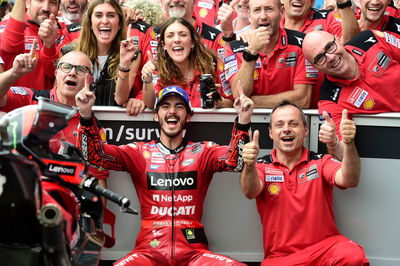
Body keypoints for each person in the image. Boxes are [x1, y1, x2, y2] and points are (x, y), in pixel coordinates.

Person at [75, 83, 253, 265]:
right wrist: (86, 114)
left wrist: (243, 120)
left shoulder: (203, 151)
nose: (172, 111)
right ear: (156, 115)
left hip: (194, 254)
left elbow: (234, 161)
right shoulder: (138, 152)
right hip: (148, 253)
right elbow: (94, 156)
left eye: (179, 106)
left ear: (188, 117)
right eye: (165, 106)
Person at [240, 100, 369, 265]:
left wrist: (348, 144)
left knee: (352, 256)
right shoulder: (262, 166)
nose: (286, 129)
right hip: (281, 258)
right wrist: (249, 164)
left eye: (293, 124)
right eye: (279, 125)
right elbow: (250, 191)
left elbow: (350, 179)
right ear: (271, 133)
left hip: (325, 250)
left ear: (306, 130)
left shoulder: (321, 161)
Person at [302, 30, 400, 156]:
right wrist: (334, 143)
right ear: (315, 67)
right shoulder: (329, 101)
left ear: (338, 39)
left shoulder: (371, 38)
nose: (330, 57)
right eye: (320, 58)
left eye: (330, 47)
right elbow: (341, 153)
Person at [224, 0, 318, 109]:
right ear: (249, 15)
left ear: (282, 12)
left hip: (290, 123)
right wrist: (251, 52)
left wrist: (252, 101)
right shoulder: (233, 47)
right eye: (257, 10)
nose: (263, 16)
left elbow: (303, 99)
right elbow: (239, 94)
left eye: (269, 9)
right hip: (249, 121)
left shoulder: (301, 43)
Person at [141, 17, 232, 109]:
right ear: (164, 45)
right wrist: (147, 79)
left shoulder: (213, 65)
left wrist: (220, 102)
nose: (176, 40)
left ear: (192, 42)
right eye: (170, 36)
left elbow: (231, 103)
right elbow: (150, 104)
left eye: (183, 35)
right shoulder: (159, 69)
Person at [75, 0, 141, 108]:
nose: (105, 21)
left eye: (111, 15)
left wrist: (124, 64)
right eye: (98, 15)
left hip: (112, 123)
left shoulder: (133, 55)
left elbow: (120, 99)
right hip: (78, 119)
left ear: (119, 24)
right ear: (90, 23)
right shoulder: (71, 52)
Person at [0, 0, 65, 91]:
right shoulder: (11, 25)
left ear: (59, 8)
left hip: (49, 103)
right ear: (27, 3)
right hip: (17, 103)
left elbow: (53, 73)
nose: (46, 8)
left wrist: (49, 45)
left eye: (52, 3)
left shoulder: (65, 31)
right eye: (40, 1)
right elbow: (10, 45)